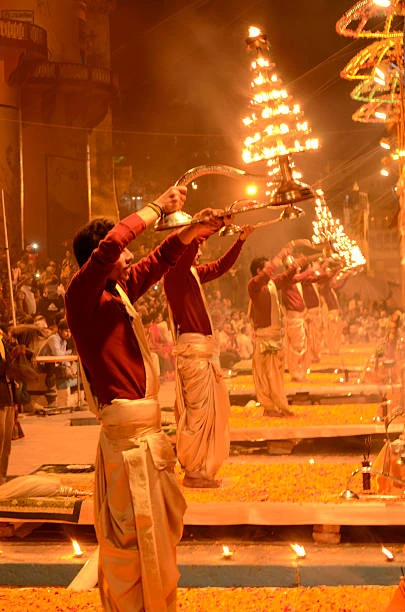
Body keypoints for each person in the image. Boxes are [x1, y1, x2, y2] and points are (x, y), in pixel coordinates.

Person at [65, 186, 222, 611]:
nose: (129, 257)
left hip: (148, 442)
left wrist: (195, 229)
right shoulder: (81, 298)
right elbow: (114, 244)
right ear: (100, 258)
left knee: (159, 538)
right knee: (131, 543)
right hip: (126, 446)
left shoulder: (118, 293)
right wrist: (157, 208)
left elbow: (157, 261)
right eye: (122, 254)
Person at [164, 224, 254, 489]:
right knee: (197, 415)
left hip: (203, 353)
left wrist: (240, 240)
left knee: (208, 414)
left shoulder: (190, 274)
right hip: (194, 355)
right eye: (196, 246)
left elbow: (220, 267)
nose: (200, 251)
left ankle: (202, 467)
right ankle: (193, 471)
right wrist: (212, 226)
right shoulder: (174, 274)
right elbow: (188, 244)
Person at [248, 249, 298, 417]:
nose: (271, 270)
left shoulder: (271, 284)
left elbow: (284, 278)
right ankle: (269, 407)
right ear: (258, 271)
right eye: (267, 267)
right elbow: (264, 278)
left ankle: (276, 405)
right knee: (264, 375)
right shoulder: (254, 286)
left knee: (275, 373)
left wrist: (295, 266)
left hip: (275, 336)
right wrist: (279, 257)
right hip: (264, 337)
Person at [38, 318, 77, 407]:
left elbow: (63, 358)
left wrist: (69, 367)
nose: (68, 334)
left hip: (53, 364)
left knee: (73, 369)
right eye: (66, 331)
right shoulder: (53, 338)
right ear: (59, 330)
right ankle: (51, 400)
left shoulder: (64, 342)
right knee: (52, 367)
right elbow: (58, 354)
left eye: (70, 332)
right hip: (43, 365)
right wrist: (67, 355)